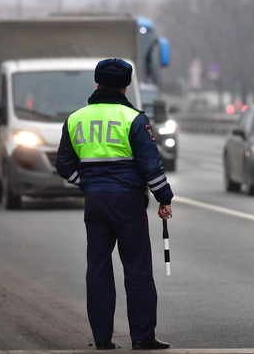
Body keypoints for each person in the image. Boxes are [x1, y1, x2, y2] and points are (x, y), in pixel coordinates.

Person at [56, 58, 173, 351]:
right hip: (127, 202)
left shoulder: (75, 119)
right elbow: (150, 165)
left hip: (95, 201)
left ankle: (102, 339)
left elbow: (63, 165)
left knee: (97, 268)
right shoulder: (134, 119)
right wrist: (164, 198)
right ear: (126, 85)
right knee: (137, 269)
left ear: (97, 82)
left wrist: (87, 184)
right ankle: (142, 337)